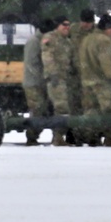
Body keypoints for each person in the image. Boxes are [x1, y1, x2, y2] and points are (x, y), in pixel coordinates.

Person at [77, 14, 111, 147]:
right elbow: (106, 63)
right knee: (108, 110)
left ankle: (92, 137)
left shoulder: (87, 39)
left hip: (87, 81)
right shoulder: (104, 40)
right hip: (102, 83)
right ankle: (109, 138)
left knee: (90, 110)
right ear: (105, 27)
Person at [40, 15, 74, 146]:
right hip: (56, 79)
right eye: (64, 25)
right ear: (58, 26)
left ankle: (60, 136)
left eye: (68, 25)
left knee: (66, 108)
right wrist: (53, 74)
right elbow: (47, 57)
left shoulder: (67, 42)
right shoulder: (50, 38)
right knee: (61, 107)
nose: (66, 27)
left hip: (66, 79)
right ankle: (58, 137)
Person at [22, 18, 56, 146]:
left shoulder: (42, 40)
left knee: (42, 109)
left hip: (40, 82)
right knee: (37, 109)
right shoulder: (34, 42)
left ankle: (34, 136)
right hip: (33, 83)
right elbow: (32, 64)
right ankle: (31, 137)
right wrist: (44, 77)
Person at [65, 8, 96, 145]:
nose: (85, 25)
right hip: (74, 75)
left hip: (91, 75)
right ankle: (73, 135)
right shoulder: (73, 30)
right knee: (74, 105)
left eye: (88, 23)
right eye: (83, 22)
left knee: (89, 106)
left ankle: (89, 135)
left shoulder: (97, 33)